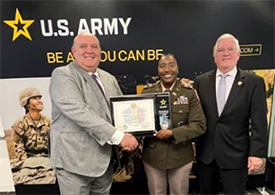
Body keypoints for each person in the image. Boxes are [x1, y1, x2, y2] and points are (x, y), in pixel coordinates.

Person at [49, 32, 138, 195]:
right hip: (73, 162)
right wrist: (120, 137)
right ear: (73, 51)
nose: (89, 51)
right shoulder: (63, 74)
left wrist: (130, 130)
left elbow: (120, 111)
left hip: (104, 161)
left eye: (94, 47)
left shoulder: (109, 78)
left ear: (100, 52)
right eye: (83, 46)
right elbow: (79, 111)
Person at [193, 33, 268, 194]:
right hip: (206, 155)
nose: (225, 53)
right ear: (214, 56)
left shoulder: (253, 82)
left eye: (230, 49)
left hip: (236, 155)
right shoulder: (201, 81)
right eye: (220, 50)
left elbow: (259, 121)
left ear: (238, 54)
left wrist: (256, 154)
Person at [141, 53, 206, 195]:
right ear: (158, 70)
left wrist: (173, 133)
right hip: (154, 157)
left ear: (177, 68)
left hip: (180, 156)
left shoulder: (188, 93)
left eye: (171, 65)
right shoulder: (147, 93)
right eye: (162, 66)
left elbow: (199, 125)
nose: (167, 69)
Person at [11, 87, 51, 163]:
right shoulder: (20, 123)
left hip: (47, 158)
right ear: (26, 103)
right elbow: (18, 147)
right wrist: (26, 161)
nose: (39, 101)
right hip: (28, 160)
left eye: (39, 98)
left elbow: (56, 144)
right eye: (35, 98)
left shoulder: (49, 122)